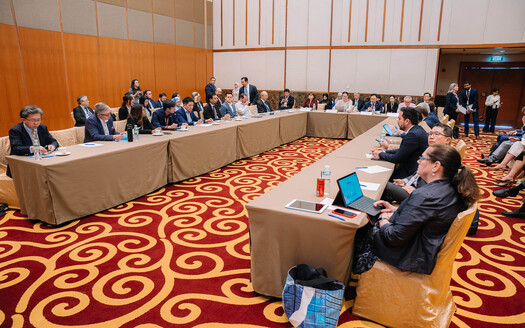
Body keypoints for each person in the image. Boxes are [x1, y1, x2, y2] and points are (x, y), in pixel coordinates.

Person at [353, 144, 479, 275]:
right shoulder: (453, 187)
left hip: (411, 254)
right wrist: (395, 210)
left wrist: (383, 219)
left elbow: (393, 237)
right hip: (426, 245)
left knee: (361, 227)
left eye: (422, 158)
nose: (418, 161)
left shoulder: (425, 195)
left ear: (436, 166)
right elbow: (427, 216)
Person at [382, 123, 452, 203]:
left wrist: (415, 191)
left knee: (383, 186)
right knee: (384, 193)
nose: (431, 137)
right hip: (414, 188)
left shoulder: (445, 158)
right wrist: (405, 181)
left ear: (447, 140)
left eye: (436, 134)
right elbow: (417, 174)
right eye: (430, 134)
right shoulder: (431, 150)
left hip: (420, 197)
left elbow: (437, 188)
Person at [371, 107, 428, 179]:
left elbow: (397, 158)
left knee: (378, 177)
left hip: (408, 174)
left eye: (399, 119)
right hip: (409, 169)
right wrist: (384, 151)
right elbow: (402, 150)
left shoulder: (412, 135)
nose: (398, 121)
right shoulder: (417, 129)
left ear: (407, 121)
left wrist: (380, 154)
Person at [7, 105, 59, 178]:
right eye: (33, 120)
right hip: (21, 165)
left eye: (38, 120)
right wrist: (33, 148)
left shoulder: (42, 127)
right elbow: (16, 149)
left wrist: (52, 145)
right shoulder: (15, 130)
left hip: (41, 162)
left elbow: (54, 141)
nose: (36, 123)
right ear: (23, 120)